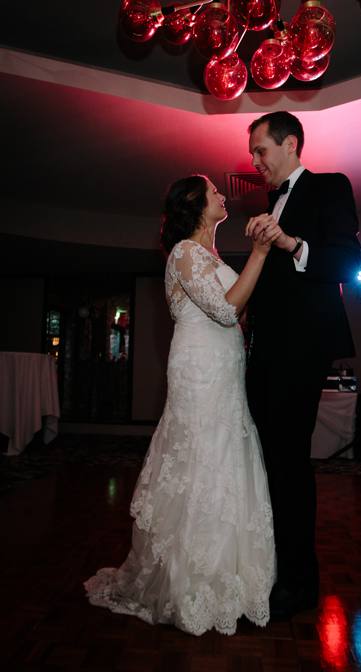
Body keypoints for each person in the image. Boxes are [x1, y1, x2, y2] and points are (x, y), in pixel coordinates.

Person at [85, 175, 277, 635]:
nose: (223, 195)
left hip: (225, 369)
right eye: (214, 191)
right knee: (199, 461)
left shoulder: (208, 256)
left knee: (225, 457)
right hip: (199, 373)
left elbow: (237, 312)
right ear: (195, 204)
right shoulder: (183, 254)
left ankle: (226, 580)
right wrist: (260, 254)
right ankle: (188, 583)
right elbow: (228, 310)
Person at [243, 111, 360, 619]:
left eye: (260, 151)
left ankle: (299, 582)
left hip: (303, 348)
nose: (254, 162)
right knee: (264, 460)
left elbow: (347, 261)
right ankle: (268, 566)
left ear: (290, 144)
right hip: (265, 350)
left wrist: (289, 244)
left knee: (289, 462)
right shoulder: (267, 206)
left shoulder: (331, 186)